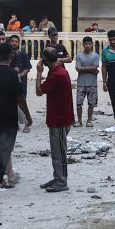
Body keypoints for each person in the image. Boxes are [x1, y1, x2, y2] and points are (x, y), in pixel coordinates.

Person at [0, 42, 32, 189]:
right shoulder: (13, 74)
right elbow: (20, 98)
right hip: (8, 116)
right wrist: (27, 116)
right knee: (5, 149)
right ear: (11, 55)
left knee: (4, 147)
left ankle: (9, 176)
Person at [35, 47, 74, 193]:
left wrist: (38, 73)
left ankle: (62, 181)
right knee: (57, 151)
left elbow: (39, 91)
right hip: (61, 117)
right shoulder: (58, 71)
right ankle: (58, 177)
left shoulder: (56, 75)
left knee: (59, 153)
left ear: (44, 60)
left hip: (59, 119)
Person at [8, 32, 33, 131]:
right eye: (12, 41)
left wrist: (19, 76)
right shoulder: (7, 55)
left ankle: (27, 123)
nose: (14, 43)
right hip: (9, 83)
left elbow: (27, 68)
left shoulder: (23, 55)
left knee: (22, 103)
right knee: (11, 104)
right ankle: (15, 124)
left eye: (16, 41)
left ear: (19, 43)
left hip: (21, 82)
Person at [74, 36, 100, 127]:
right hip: (81, 83)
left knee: (91, 104)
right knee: (78, 103)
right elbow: (78, 69)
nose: (88, 45)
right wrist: (92, 69)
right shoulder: (79, 56)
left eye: (89, 43)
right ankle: (79, 121)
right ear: (83, 44)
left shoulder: (95, 55)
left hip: (92, 84)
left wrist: (83, 69)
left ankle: (89, 120)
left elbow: (95, 67)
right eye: (86, 44)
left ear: (92, 44)